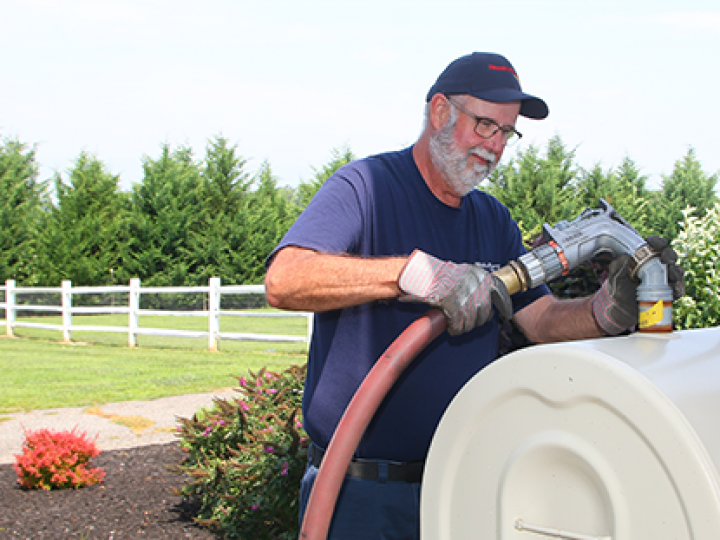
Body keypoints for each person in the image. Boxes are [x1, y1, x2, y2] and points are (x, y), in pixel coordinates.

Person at [264, 52, 684, 539]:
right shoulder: (367, 187)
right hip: (360, 492)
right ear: (440, 111)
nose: (495, 146)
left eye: (506, 133)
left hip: (465, 480)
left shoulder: (492, 220)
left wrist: (603, 312)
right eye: (485, 125)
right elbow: (285, 279)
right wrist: (415, 274)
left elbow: (541, 319)